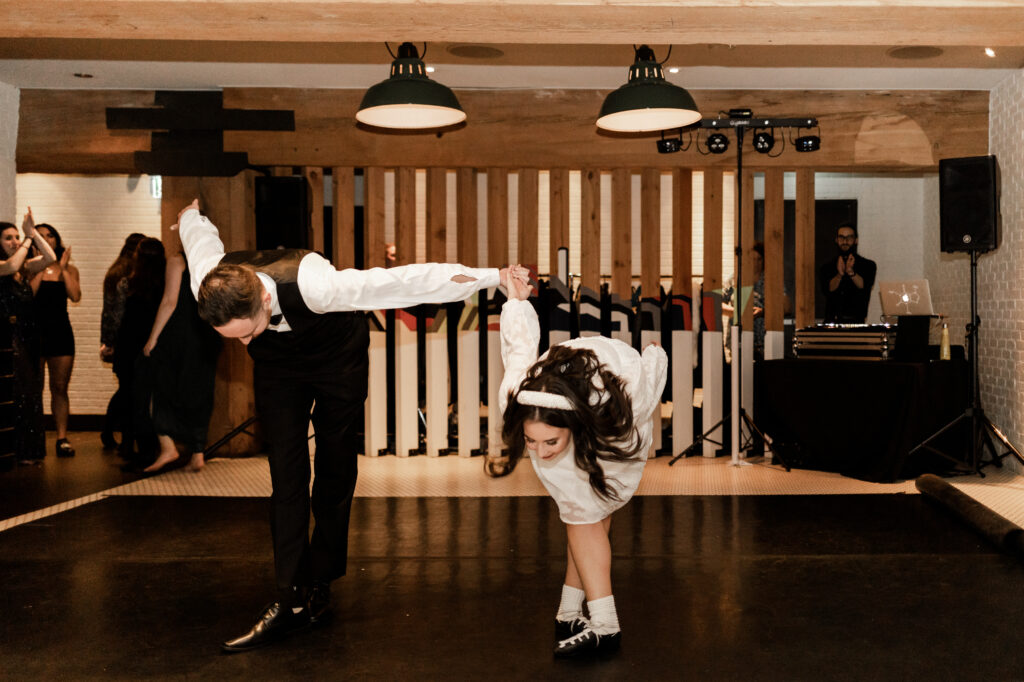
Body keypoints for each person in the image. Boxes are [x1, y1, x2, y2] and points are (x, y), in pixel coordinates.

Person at [175, 199, 529, 653]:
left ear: (264, 298)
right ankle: (289, 598)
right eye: (235, 338)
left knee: (335, 464)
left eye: (249, 331)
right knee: (285, 472)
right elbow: (199, 240)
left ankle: (320, 581)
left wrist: (493, 277)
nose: (244, 342)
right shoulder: (210, 281)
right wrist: (190, 215)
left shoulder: (316, 284)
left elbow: (407, 282)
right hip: (279, 370)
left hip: (336, 358)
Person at [491, 274, 667, 658]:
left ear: (571, 429)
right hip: (573, 402)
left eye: (549, 442)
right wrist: (517, 302)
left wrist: (656, 356)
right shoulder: (518, 396)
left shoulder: (616, 404)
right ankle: (569, 614)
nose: (539, 452)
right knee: (581, 513)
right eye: (530, 441)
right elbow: (518, 350)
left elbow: (648, 386)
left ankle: (606, 627)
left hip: (611, 430)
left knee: (589, 513)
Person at [141, 230, 221, 473]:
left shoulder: (178, 261)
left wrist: (152, 338)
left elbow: (169, 301)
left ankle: (168, 447)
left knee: (161, 388)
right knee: (201, 392)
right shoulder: (215, 261)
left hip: (180, 335)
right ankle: (197, 454)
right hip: (207, 334)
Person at [0, 209, 57, 464]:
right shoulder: (5, 267)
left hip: (26, 338)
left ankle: (28, 451)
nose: (14, 242)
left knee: (30, 393)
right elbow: (11, 263)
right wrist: (25, 239)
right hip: (5, 340)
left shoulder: (23, 268)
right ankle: (13, 451)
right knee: (14, 394)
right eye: (7, 238)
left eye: (15, 237)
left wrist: (32, 233)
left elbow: (51, 257)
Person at [29, 223, 81, 457]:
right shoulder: (27, 267)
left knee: (59, 388)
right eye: (41, 236)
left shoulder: (69, 268)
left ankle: (62, 438)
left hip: (60, 332)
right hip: (33, 332)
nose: (47, 239)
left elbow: (75, 295)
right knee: (34, 388)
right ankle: (33, 437)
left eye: (50, 236)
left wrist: (62, 267)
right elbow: (29, 295)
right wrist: (41, 267)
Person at [113, 237, 165, 463]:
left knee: (129, 396)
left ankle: (128, 446)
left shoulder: (129, 283)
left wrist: (109, 342)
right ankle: (151, 448)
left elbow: (118, 317)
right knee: (150, 398)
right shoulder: (164, 284)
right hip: (153, 344)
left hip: (128, 345)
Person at [100, 233, 147, 450]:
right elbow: (117, 312)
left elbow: (108, 312)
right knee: (129, 390)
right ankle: (119, 435)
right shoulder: (132, 275)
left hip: (122, 340)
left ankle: (111, 432)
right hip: (131, 339)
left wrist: (107, 341)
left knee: (125, 388)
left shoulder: (114, 271)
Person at [818, 224, 877, 324]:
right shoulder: (826, 267)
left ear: (856, 240)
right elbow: (828, 290)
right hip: (832, 322)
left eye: (849, 237)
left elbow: (864, 286)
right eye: (841, 237)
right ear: (836, 240)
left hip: (857, 323)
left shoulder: (868, 265)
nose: (845, 241)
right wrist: (839, 275)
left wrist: (851, 272)